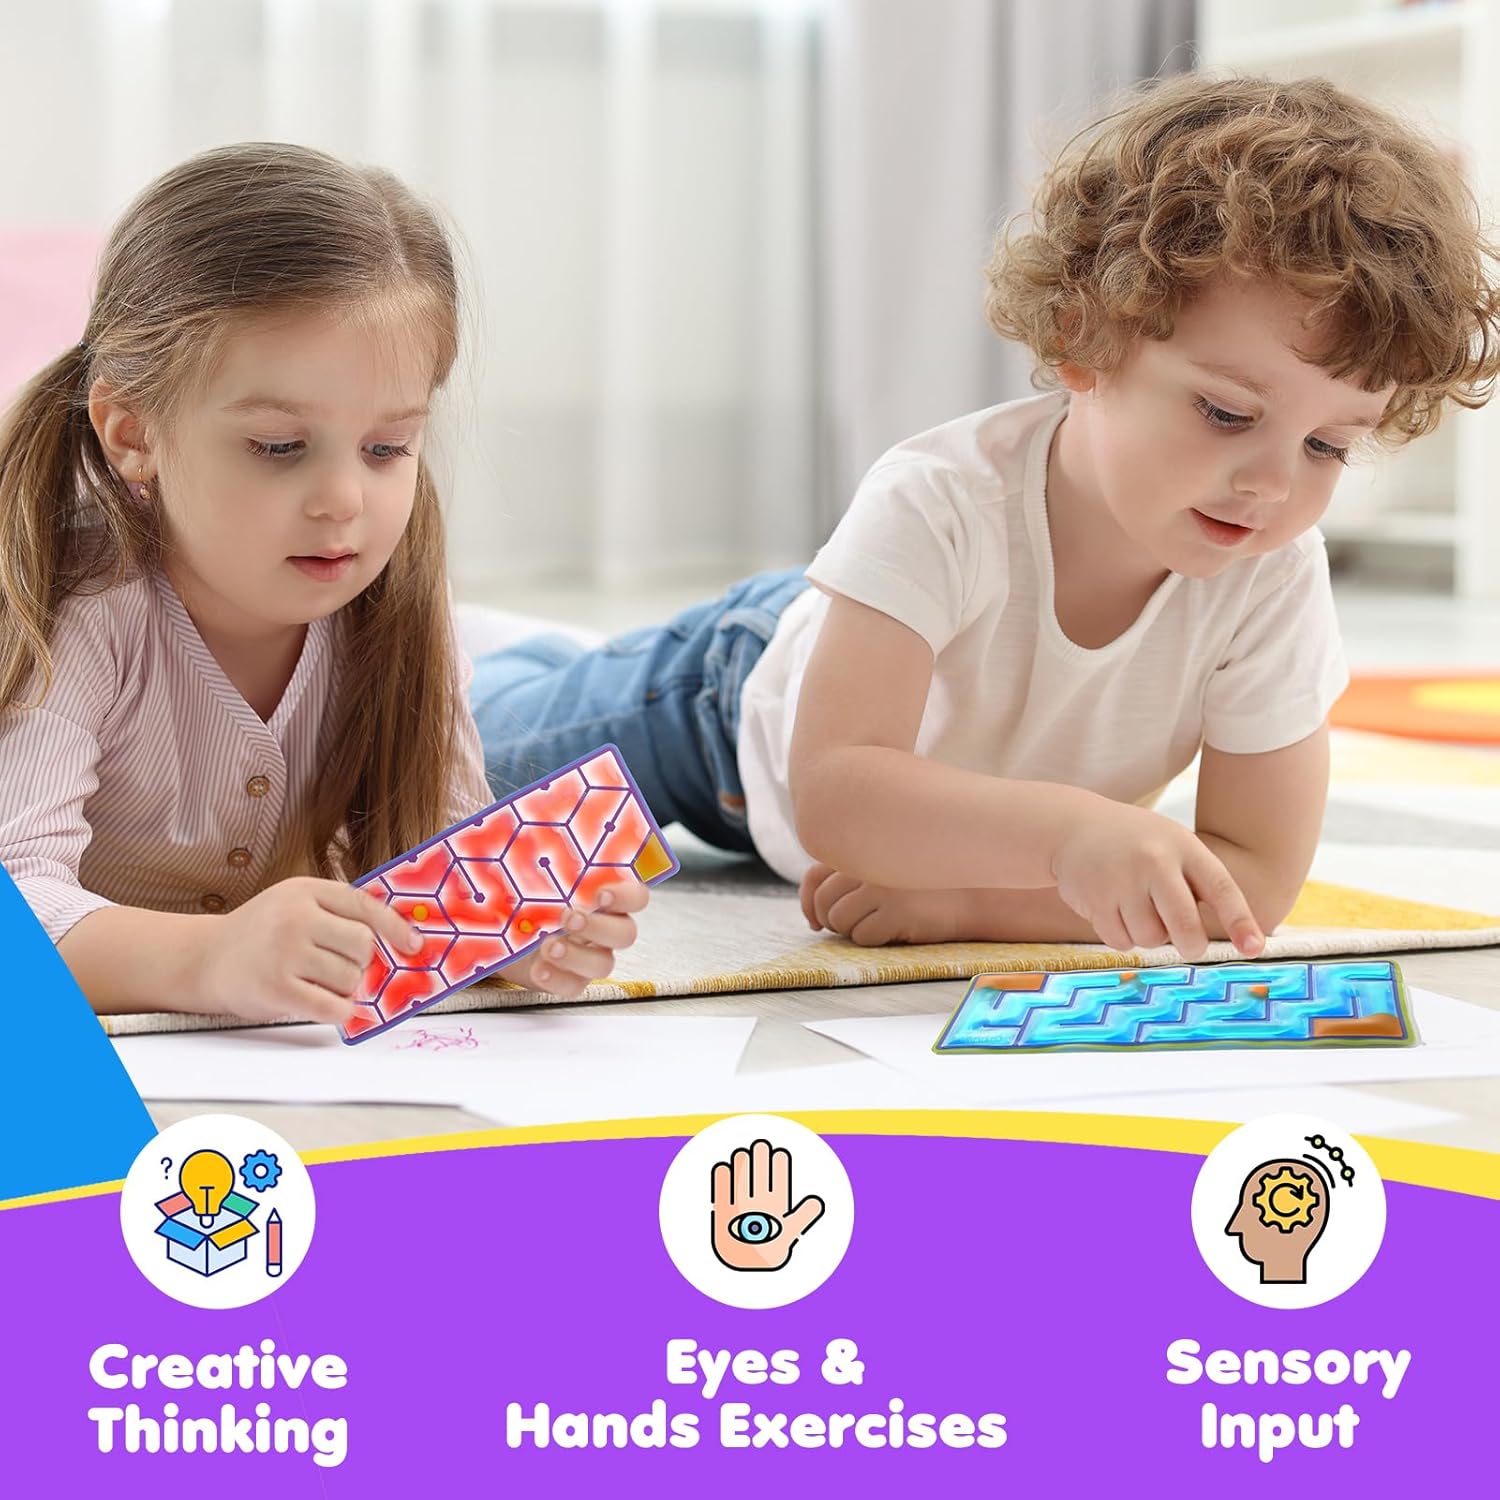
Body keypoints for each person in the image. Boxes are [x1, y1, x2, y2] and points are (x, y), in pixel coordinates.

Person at [470, 75, 1499, 963]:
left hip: (940, 810)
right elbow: (836, 792)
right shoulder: (940, 497)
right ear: (1082, 337)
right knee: (461, 769)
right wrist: (1067, 838)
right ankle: (504, 656)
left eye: (1329, 446)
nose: (1273, 485)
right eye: (1228, 414)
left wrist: (965, 905)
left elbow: (1251, 882)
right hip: (726, 714)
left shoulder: (1274, 573)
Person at [0, 143, 647, 1025]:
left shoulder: (393, 603)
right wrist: (206, 960)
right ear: (131, 433)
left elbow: (433, 871)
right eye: (279, 447)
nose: (344, 500)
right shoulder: (77, 610)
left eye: (388, 448)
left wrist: (511, 931)